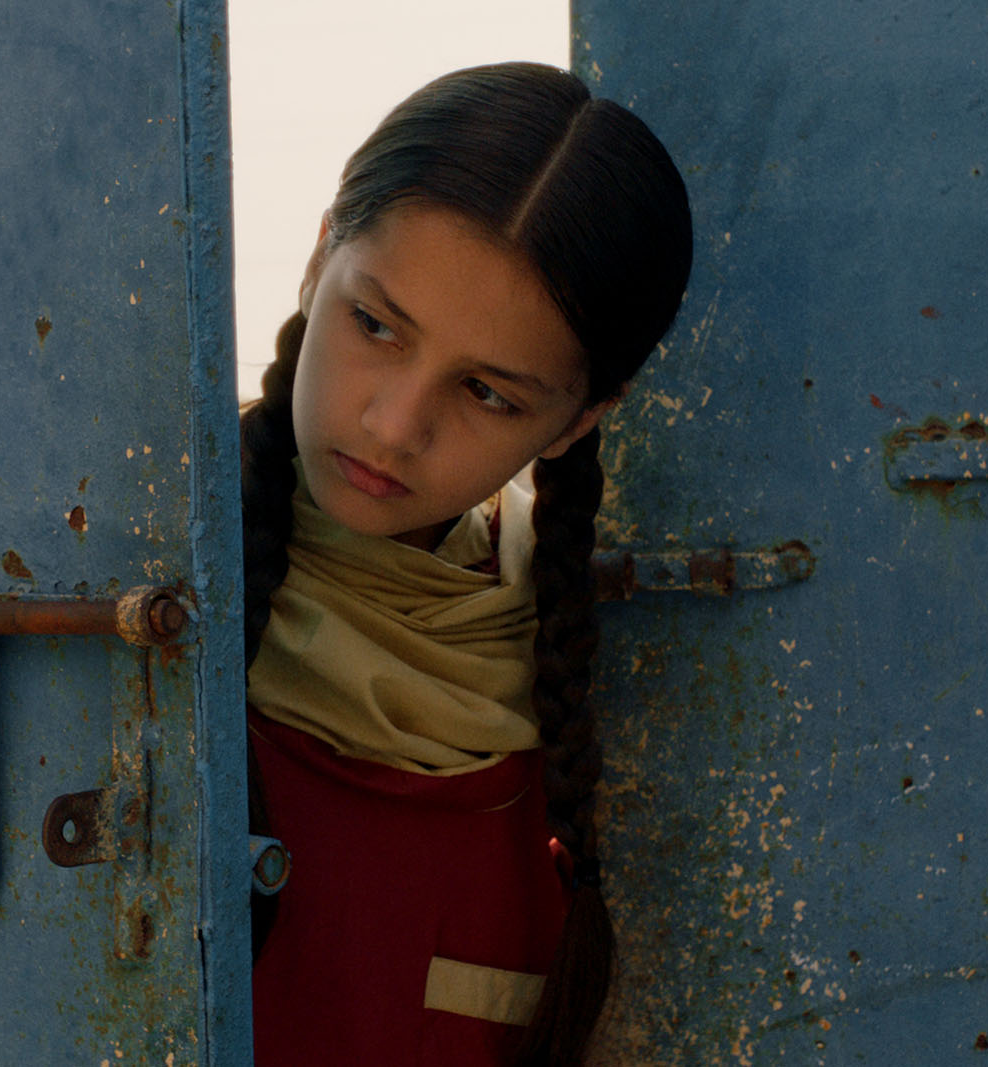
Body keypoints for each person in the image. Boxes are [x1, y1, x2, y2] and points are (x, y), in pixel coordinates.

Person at [238, 63, 692, 1065]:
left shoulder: (568, 678)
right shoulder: (127, 588)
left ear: (579, 421)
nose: (393, 426)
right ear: (319, 260)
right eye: (373, 324)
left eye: (487, 393)